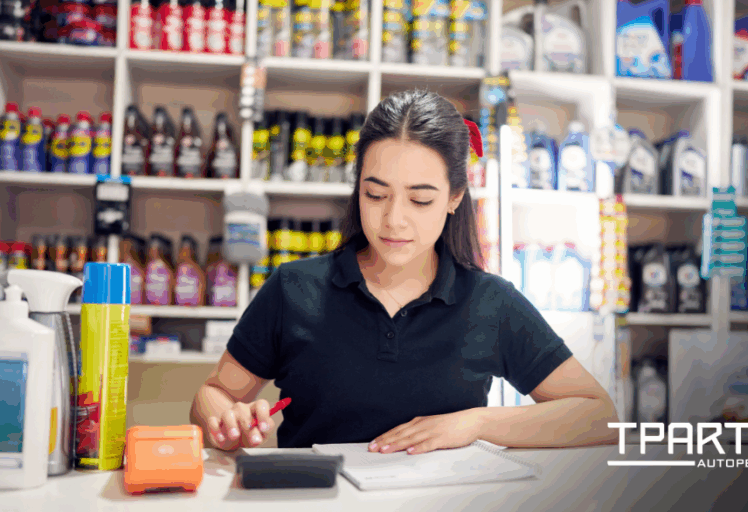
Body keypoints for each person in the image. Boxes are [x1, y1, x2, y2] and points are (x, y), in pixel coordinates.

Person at [190, 89, 619, 455]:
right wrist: (227, 423)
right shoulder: (292, 289)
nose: (394, 220)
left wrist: (475, 424)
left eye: (420, 200)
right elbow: (213, 396)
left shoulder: (490, 302)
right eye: (376, 195)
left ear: (454, 198)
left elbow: (598, 416)